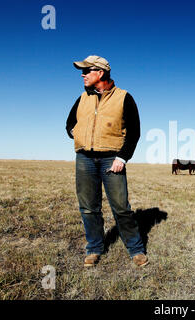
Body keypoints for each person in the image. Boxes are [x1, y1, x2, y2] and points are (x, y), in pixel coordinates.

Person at [65, 55, 148, 267]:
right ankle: (94, 248)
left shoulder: (124, 97)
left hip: (112, 158)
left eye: (86, 71)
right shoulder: (82, 98)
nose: (82, 75)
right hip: (84, 157)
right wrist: (80, 136)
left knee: (121, 207)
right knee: (88, 208)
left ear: (100, 73)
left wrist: (122, 157)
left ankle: (135, 249)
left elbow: (134, 132)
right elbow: (69, 124)